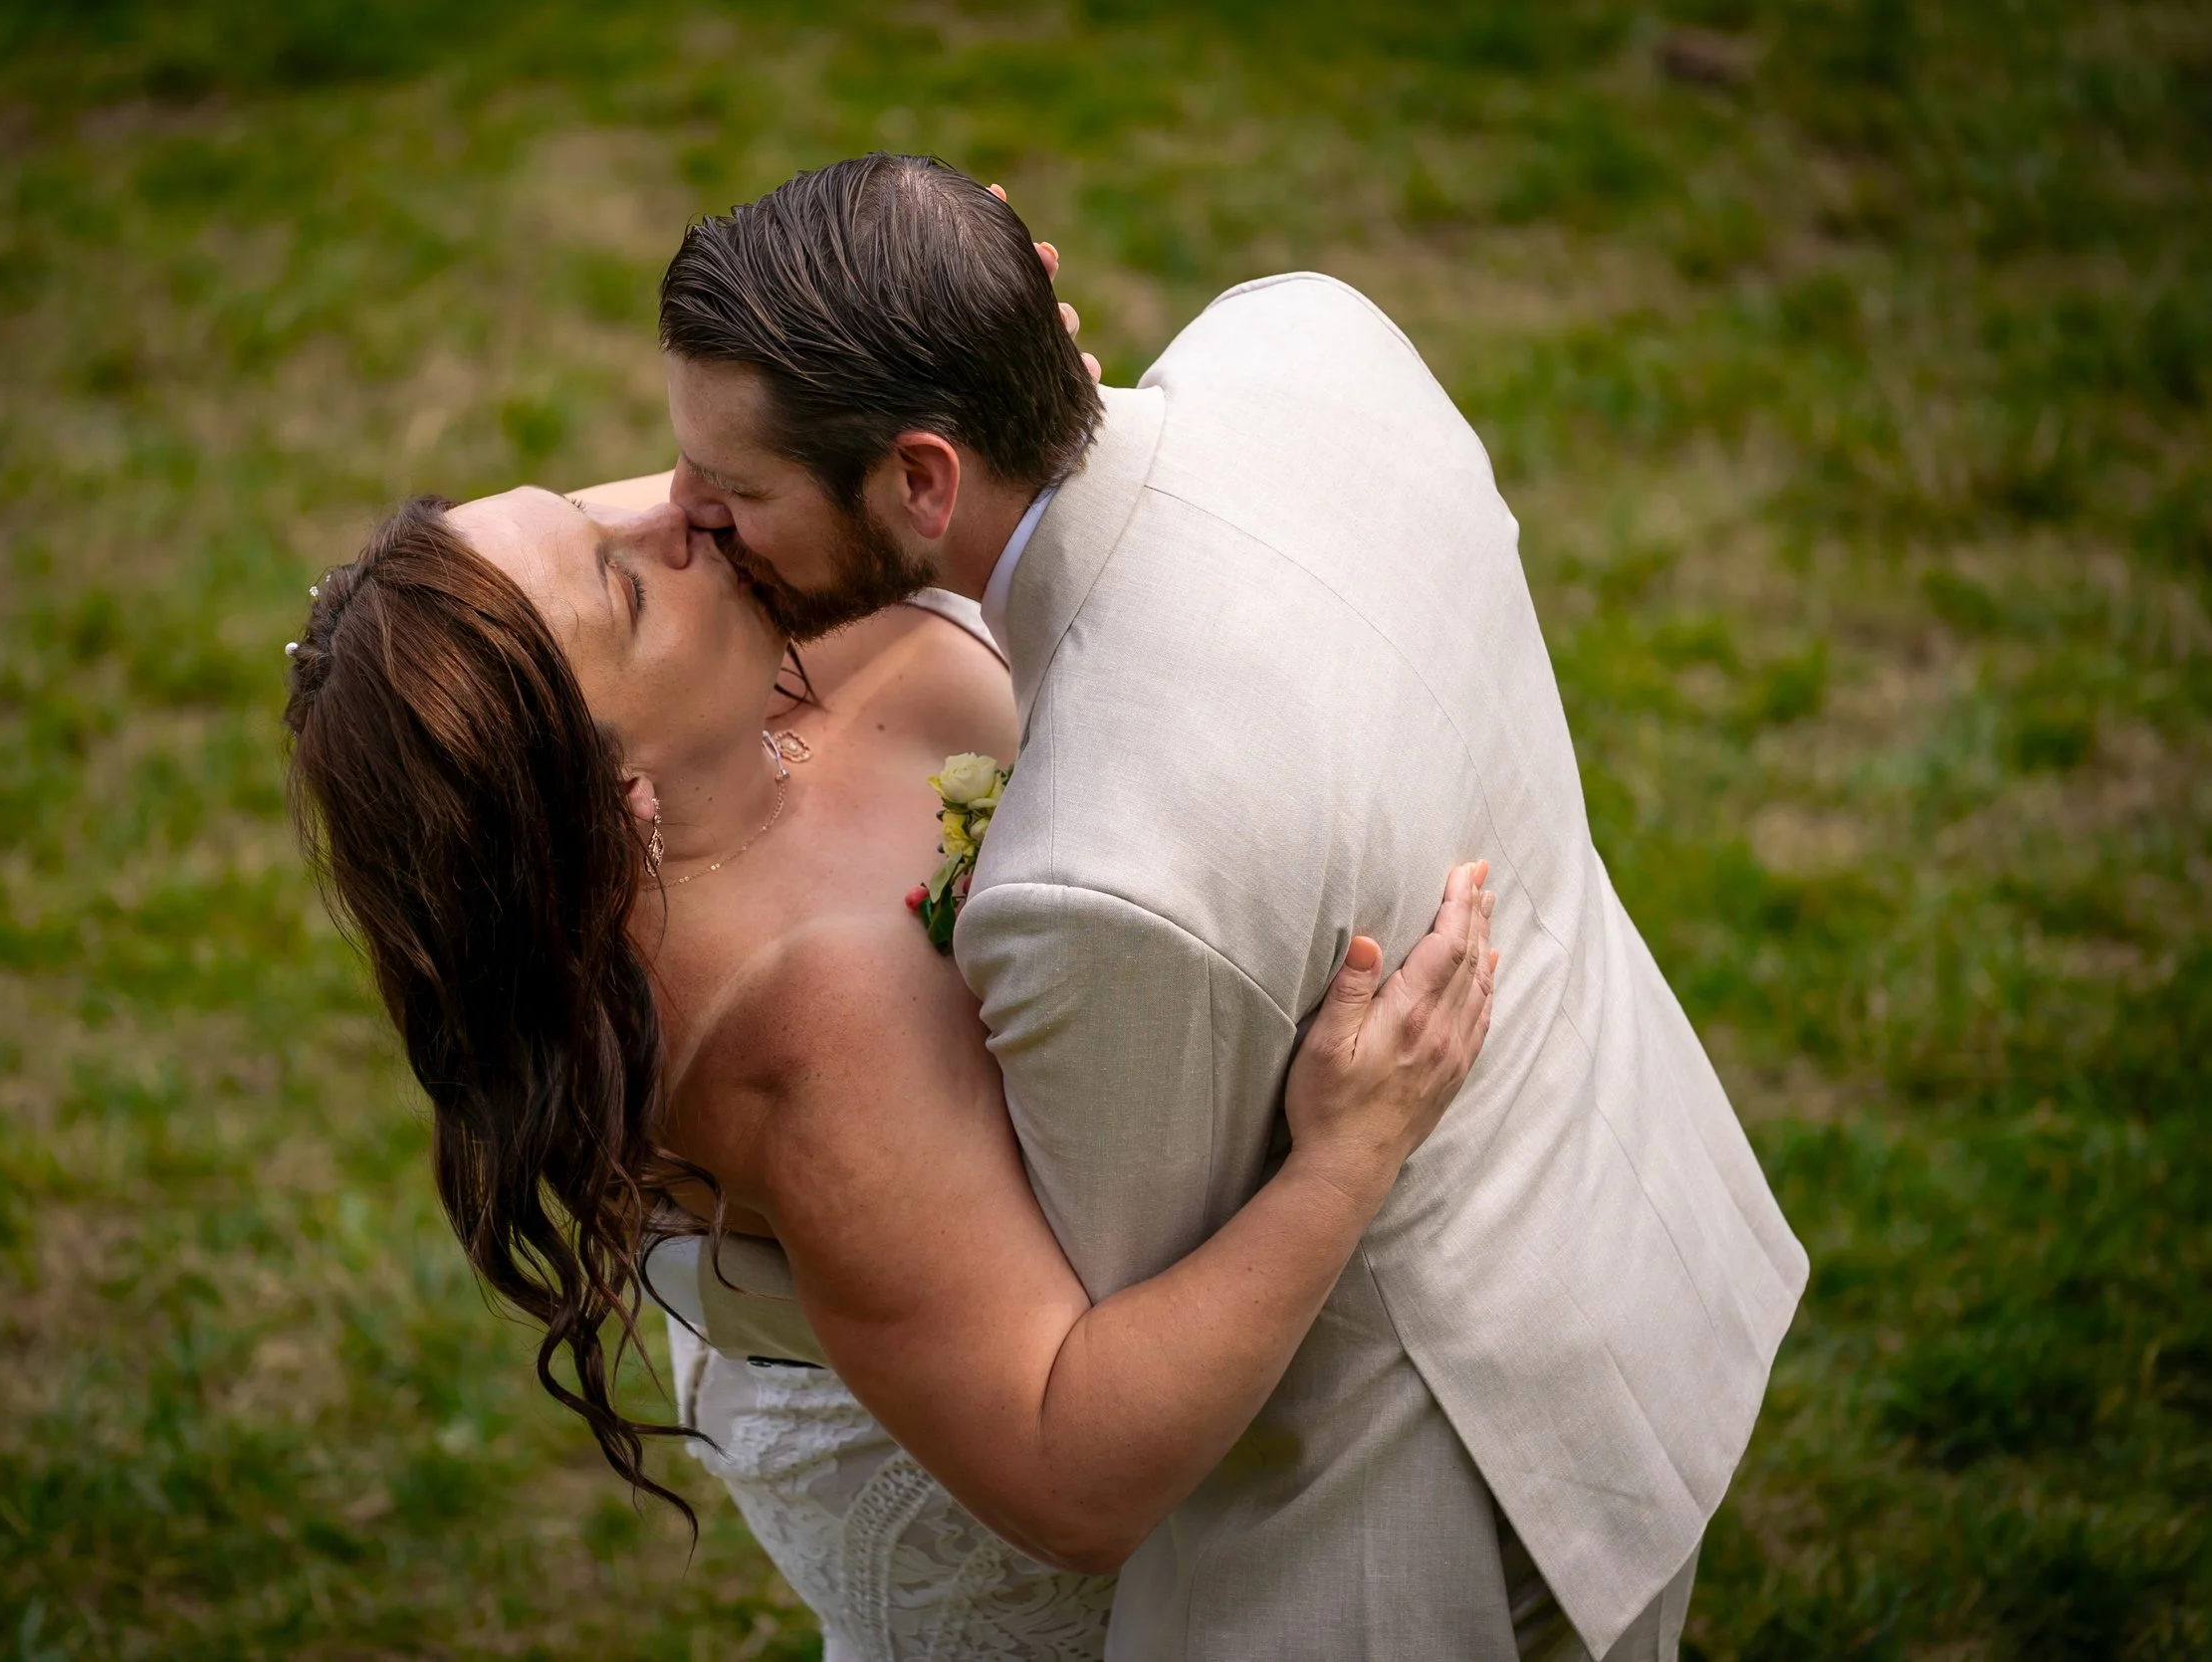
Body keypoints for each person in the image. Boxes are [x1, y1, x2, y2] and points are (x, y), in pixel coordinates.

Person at [655, 153, 1810, 1660]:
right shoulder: (1308, 334)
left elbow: (1088, 1328)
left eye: (736, 490)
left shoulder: (1101, 876)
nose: (679, 513)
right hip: (1624, 1212)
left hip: (1413, 1496)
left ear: (923, 480)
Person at [281, 481, 1501, 1659]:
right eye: (625, 579)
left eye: (586, 507)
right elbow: (1071, 1480)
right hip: (973, 1464)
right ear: (616, 795)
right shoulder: (806, 1031)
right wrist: (1346, 1154)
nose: (677, 507)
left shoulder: (644, 622)